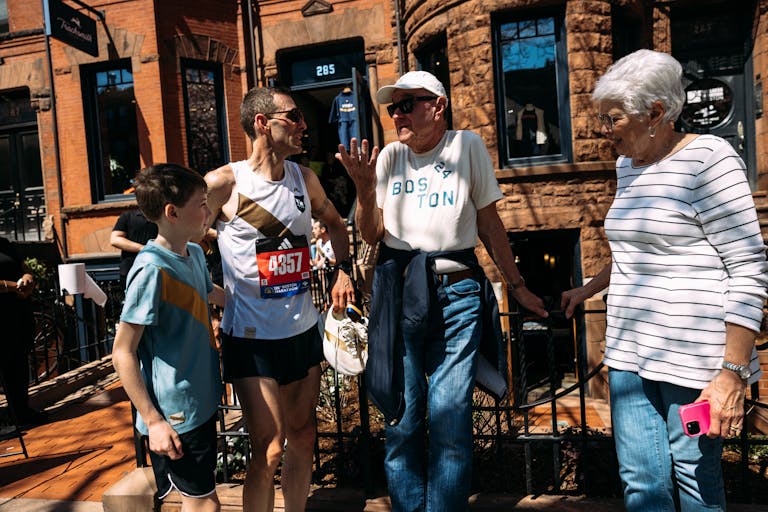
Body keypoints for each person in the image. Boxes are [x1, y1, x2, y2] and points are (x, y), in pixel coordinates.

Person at [559, 49, 768, 512]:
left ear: (655, 113)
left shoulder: (709, 159)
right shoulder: (627, 166)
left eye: (612, 118)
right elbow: (636, 251)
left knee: (695, 478)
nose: (603, 129)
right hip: (629, 352)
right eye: (602, 117)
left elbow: (748, 266)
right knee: (641, 483)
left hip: (693, 359)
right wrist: (588, 288)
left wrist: (732, 372)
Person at [336, 70, 548, 512]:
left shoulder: (465, 146)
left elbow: (489, 223)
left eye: (407, 104)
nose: (397, 115)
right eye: (393, 108)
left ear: (438, 105)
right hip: (400, 295)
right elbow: (372, 233)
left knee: (451, 420)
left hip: (457, 294)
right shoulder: (390, 156)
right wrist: (364, 189)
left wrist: (517, 285)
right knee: (402, 419)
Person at [205, 86, 353, 512]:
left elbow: (336, 224)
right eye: (294, 116)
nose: (304, 125)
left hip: (301, 330)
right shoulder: (223, 183)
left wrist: (343, 270)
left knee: (303, 436)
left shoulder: (304, 179)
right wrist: (212, 296)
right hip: (251, 338)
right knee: (269, 449)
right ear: (262, 123)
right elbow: (185, 243)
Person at [112, 164, 224, 512]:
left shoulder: (194, 253)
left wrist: (262, 300)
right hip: (175, 413)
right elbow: (122, 352)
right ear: (172, 212)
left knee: (202, 499)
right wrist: (154, 421)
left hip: (201, 402)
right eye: (201, 204)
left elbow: (210, 293)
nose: (208, 212)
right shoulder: (150, 270)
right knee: (204, 505)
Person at [0, 237, 46, 426]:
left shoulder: (4, 244)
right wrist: (15, 286)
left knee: (18, 362)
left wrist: (28, 278)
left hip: (17, 313)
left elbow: (23, 266)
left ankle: (21, 412)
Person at [110, 207, 158, 290]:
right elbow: (115, 240)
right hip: (131, 270)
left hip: (157, 268)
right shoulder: (128, 216)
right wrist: (142, 248)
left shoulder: (164, 216)